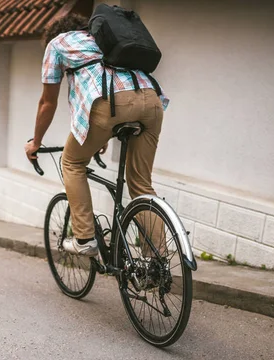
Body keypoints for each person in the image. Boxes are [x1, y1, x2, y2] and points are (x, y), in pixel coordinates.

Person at [24, 14, 169, 257]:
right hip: (151, 99)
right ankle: (157, 260)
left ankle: (84, 239)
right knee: (141, 184)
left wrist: (36, 142)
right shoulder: (104, 39)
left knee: (71, 162)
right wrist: (102, 136)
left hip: (109, 104)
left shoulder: (57, 44)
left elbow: (47, 103)